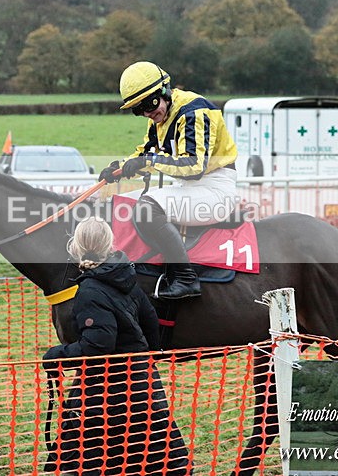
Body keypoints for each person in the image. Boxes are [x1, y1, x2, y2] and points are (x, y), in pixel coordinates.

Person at [42, 217, 190, 475]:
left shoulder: (89, 291)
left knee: (85, 462)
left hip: (106, 393)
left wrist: (58, 355)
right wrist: (148, 358)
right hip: (143, 384)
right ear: (110, 244)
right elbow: (151, 322)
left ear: (75, 247)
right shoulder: (126, 279)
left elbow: (99, 344)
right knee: (162, 459)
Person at [99, 61, 239, 300]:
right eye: (138, 109)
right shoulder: (159, 118)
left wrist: (147, 162)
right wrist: (120, 168)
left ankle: (186, 278)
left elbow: (194, 166)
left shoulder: (194, 111)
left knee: (147, 209)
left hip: (215, 188)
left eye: (148, 104)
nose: (146, 112)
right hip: (188, 188)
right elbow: (147, 151)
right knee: (120, 202)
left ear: (164, 91)